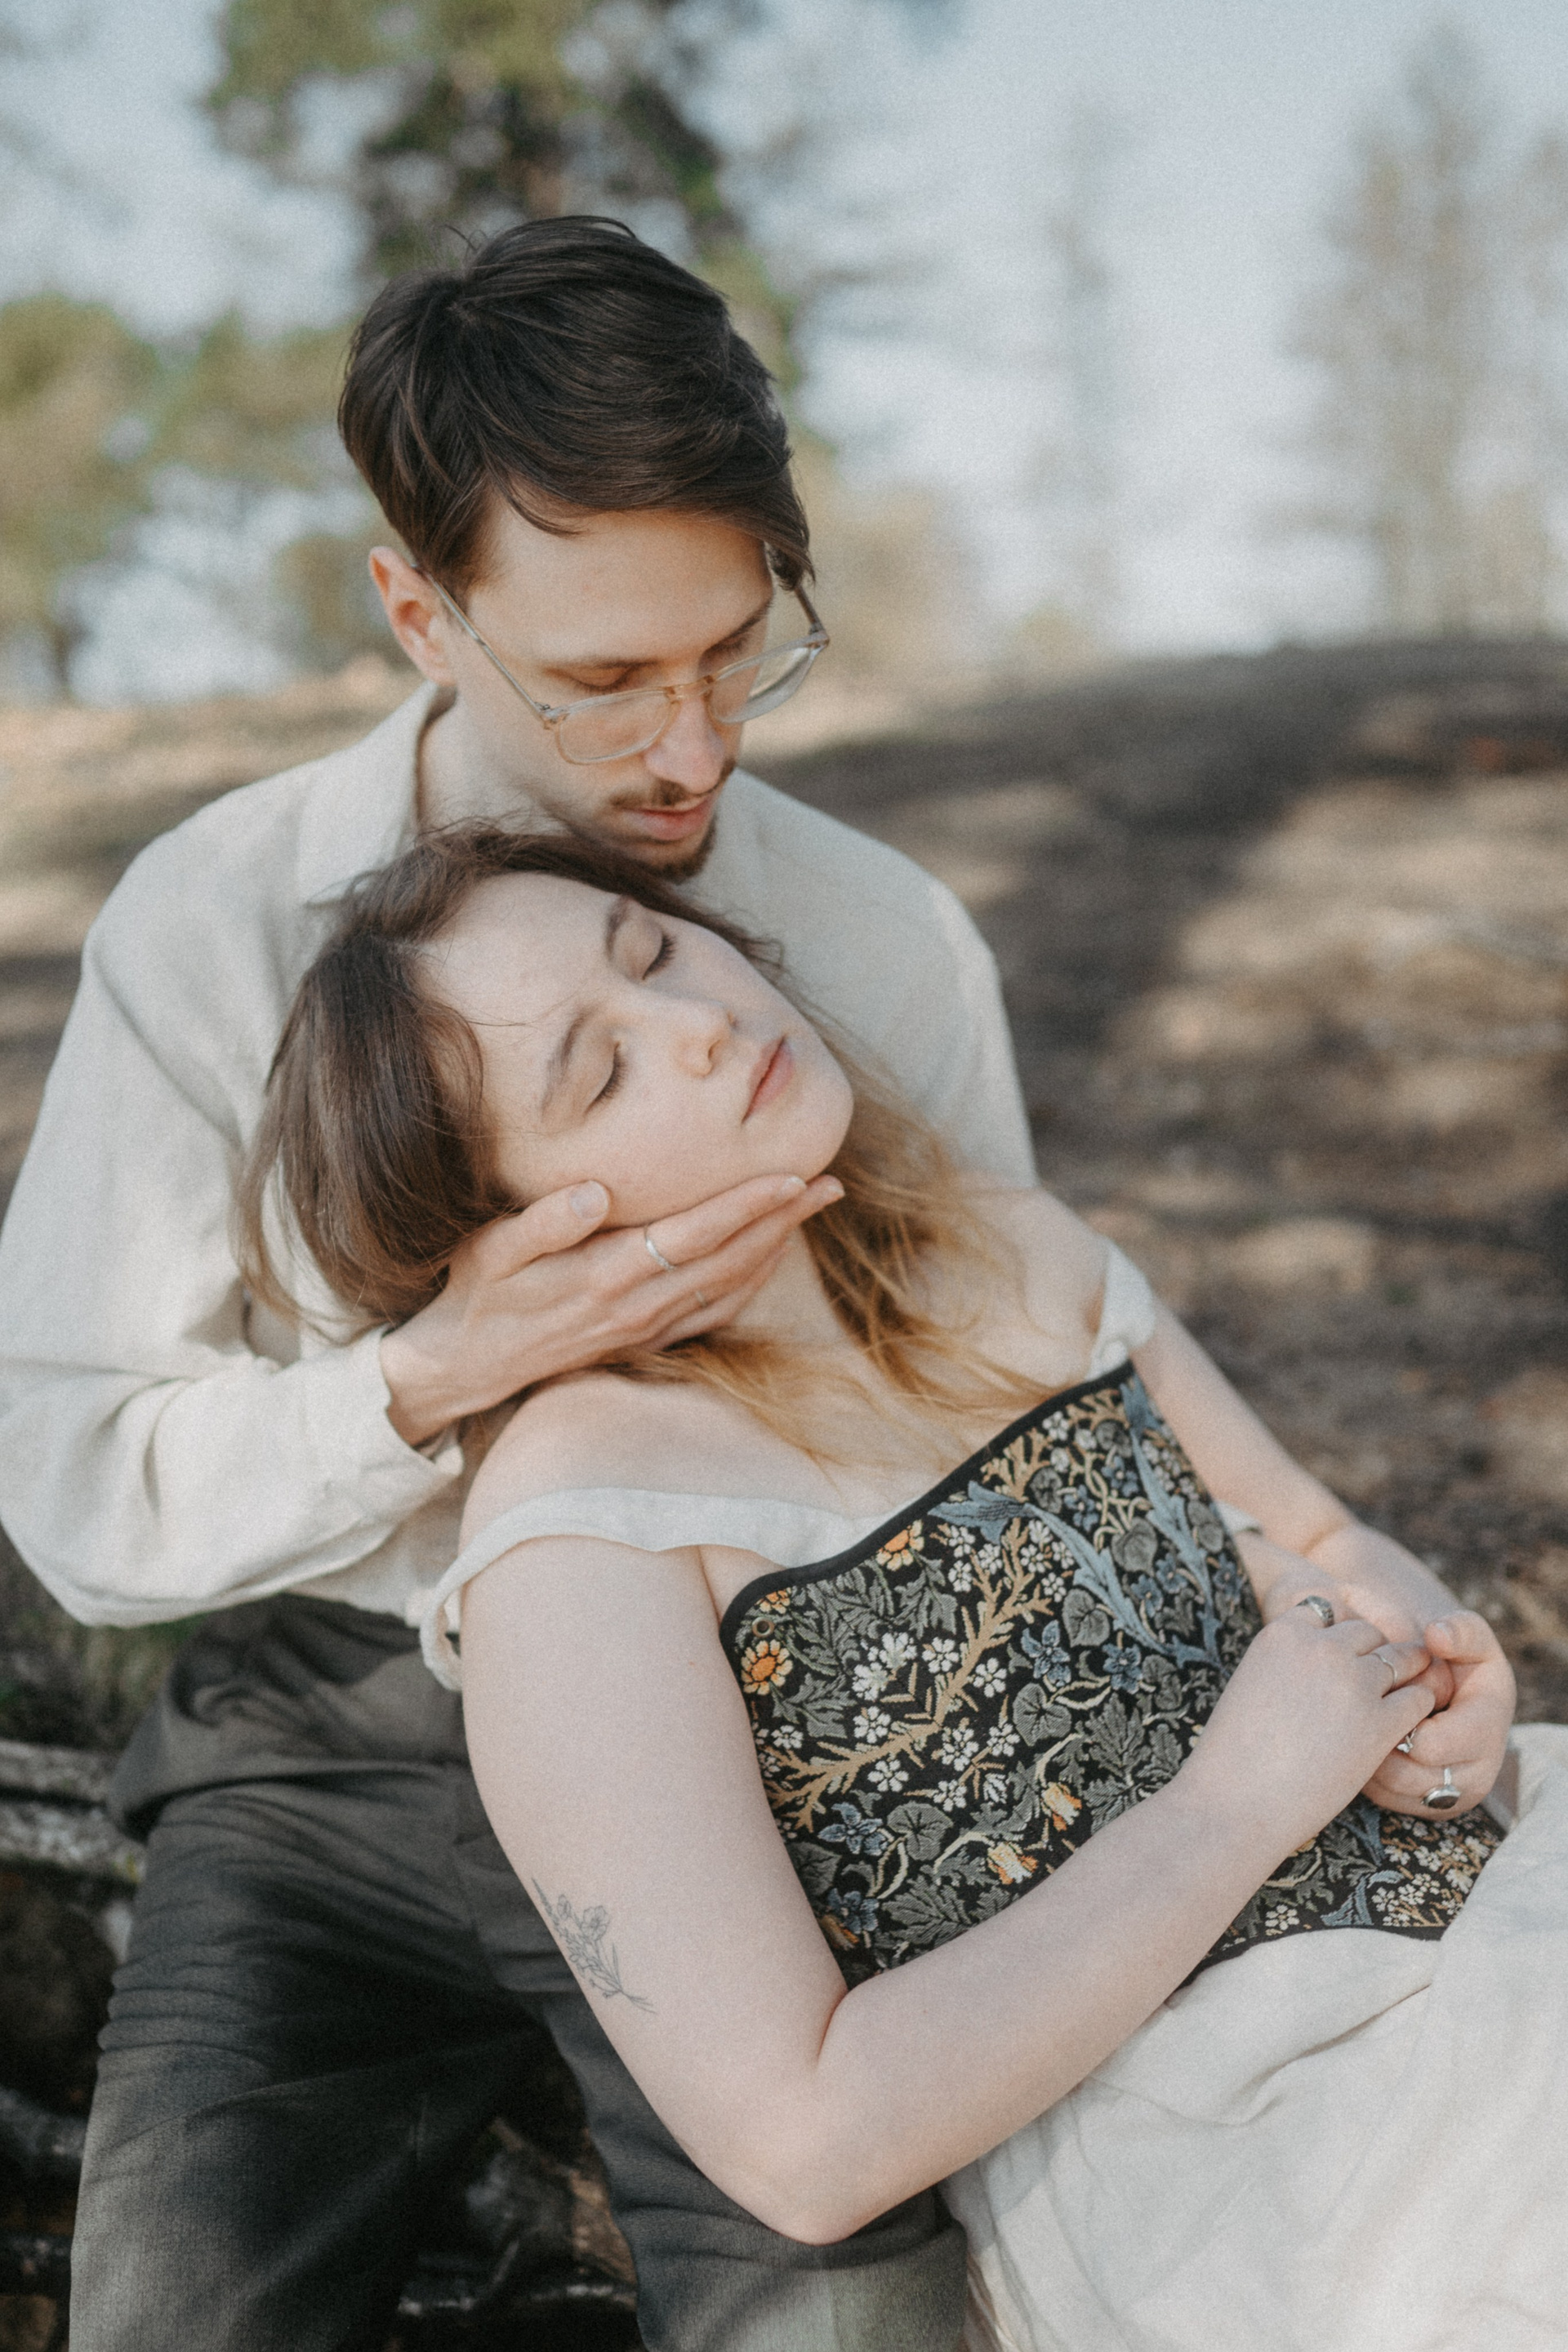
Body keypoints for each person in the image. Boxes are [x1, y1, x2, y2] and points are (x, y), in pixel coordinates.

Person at [0, 220, 1036, 2351]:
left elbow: (1007, 1417)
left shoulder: (888, 946)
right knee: (172, 2318)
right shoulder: (209, 925)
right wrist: (430, 1376)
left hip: (762, 1748)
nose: (690, 749)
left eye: (738, 651)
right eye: (602, 681)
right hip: (330, 1752)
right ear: (420, 611)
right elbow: (75, 1472)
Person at [243, 820, 1568, 2352]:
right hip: (1260, 2160)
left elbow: (1322, 1541)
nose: (696, 1023)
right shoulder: (582, 1536)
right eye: (599, 1074)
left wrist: (1439, 1690)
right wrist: (1234, 1806)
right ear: (503, 1235)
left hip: (1504, 1912)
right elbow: (805, 2142)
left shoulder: (1002, 1248)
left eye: (653, 949)